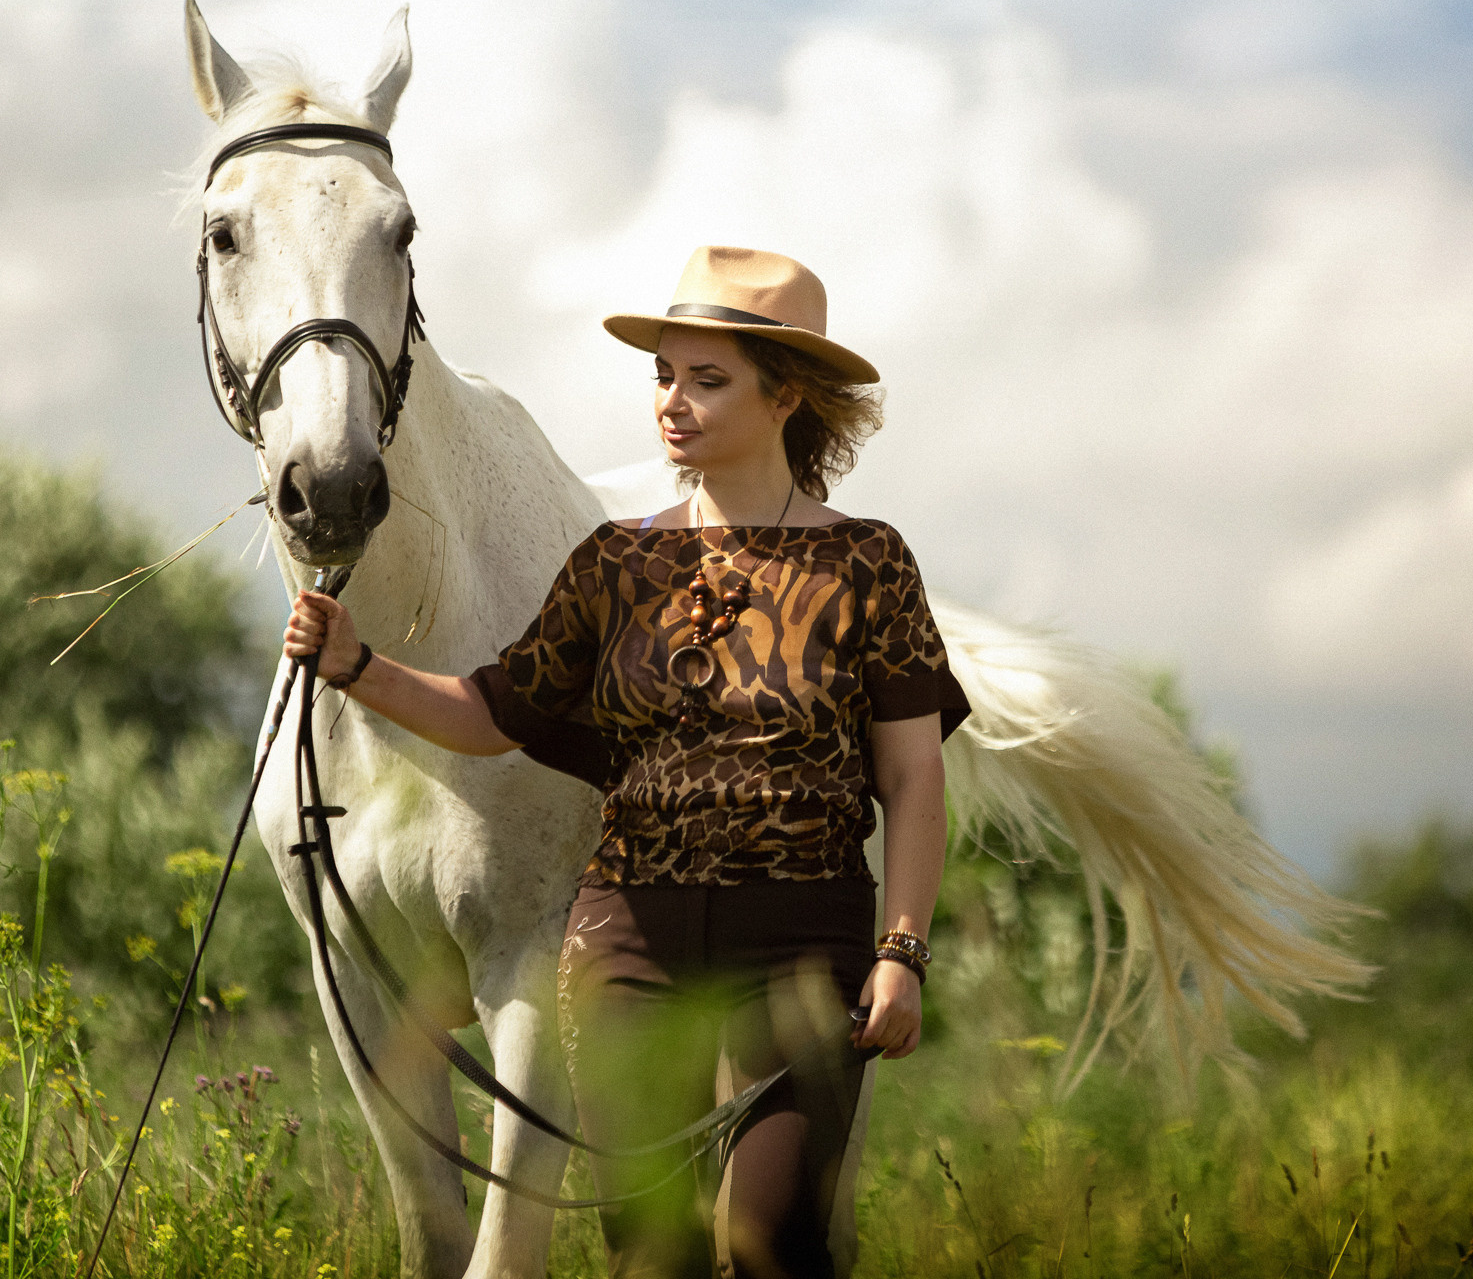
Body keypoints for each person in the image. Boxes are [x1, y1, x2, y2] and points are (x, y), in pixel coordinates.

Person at [284, 245, 966, 1279]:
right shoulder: (615, 562)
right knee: (652, 1258)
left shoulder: (868, 563)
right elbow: (490, 712)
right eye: (663, 376)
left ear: (787, 395)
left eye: (706, 379)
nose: (672, 403)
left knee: (777, 1243)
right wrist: (359, 664)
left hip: (798, 944)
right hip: (626, 952)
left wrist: (902, 951)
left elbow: (915, 780)